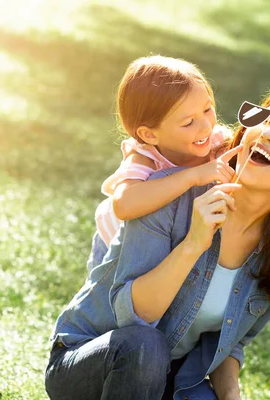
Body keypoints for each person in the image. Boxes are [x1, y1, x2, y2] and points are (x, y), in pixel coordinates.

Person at [45, 83, 270, 400]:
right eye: (265, 119)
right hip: (90, 359)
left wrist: (231, 394)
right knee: (145, 346)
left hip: (173, 378)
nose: (267, 134)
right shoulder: (170, 193)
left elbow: (230, 340)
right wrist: (194, 243)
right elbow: (133, 318)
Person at [91, 55, 238, 267]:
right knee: (105, 300)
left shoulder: (218, 142)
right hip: (116, 247)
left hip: (165, 243)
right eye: (188, 122)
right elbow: (124, 205)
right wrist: (193, 176)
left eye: (207, 109)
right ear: (150, 135)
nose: (206, 126)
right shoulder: (146, 155)